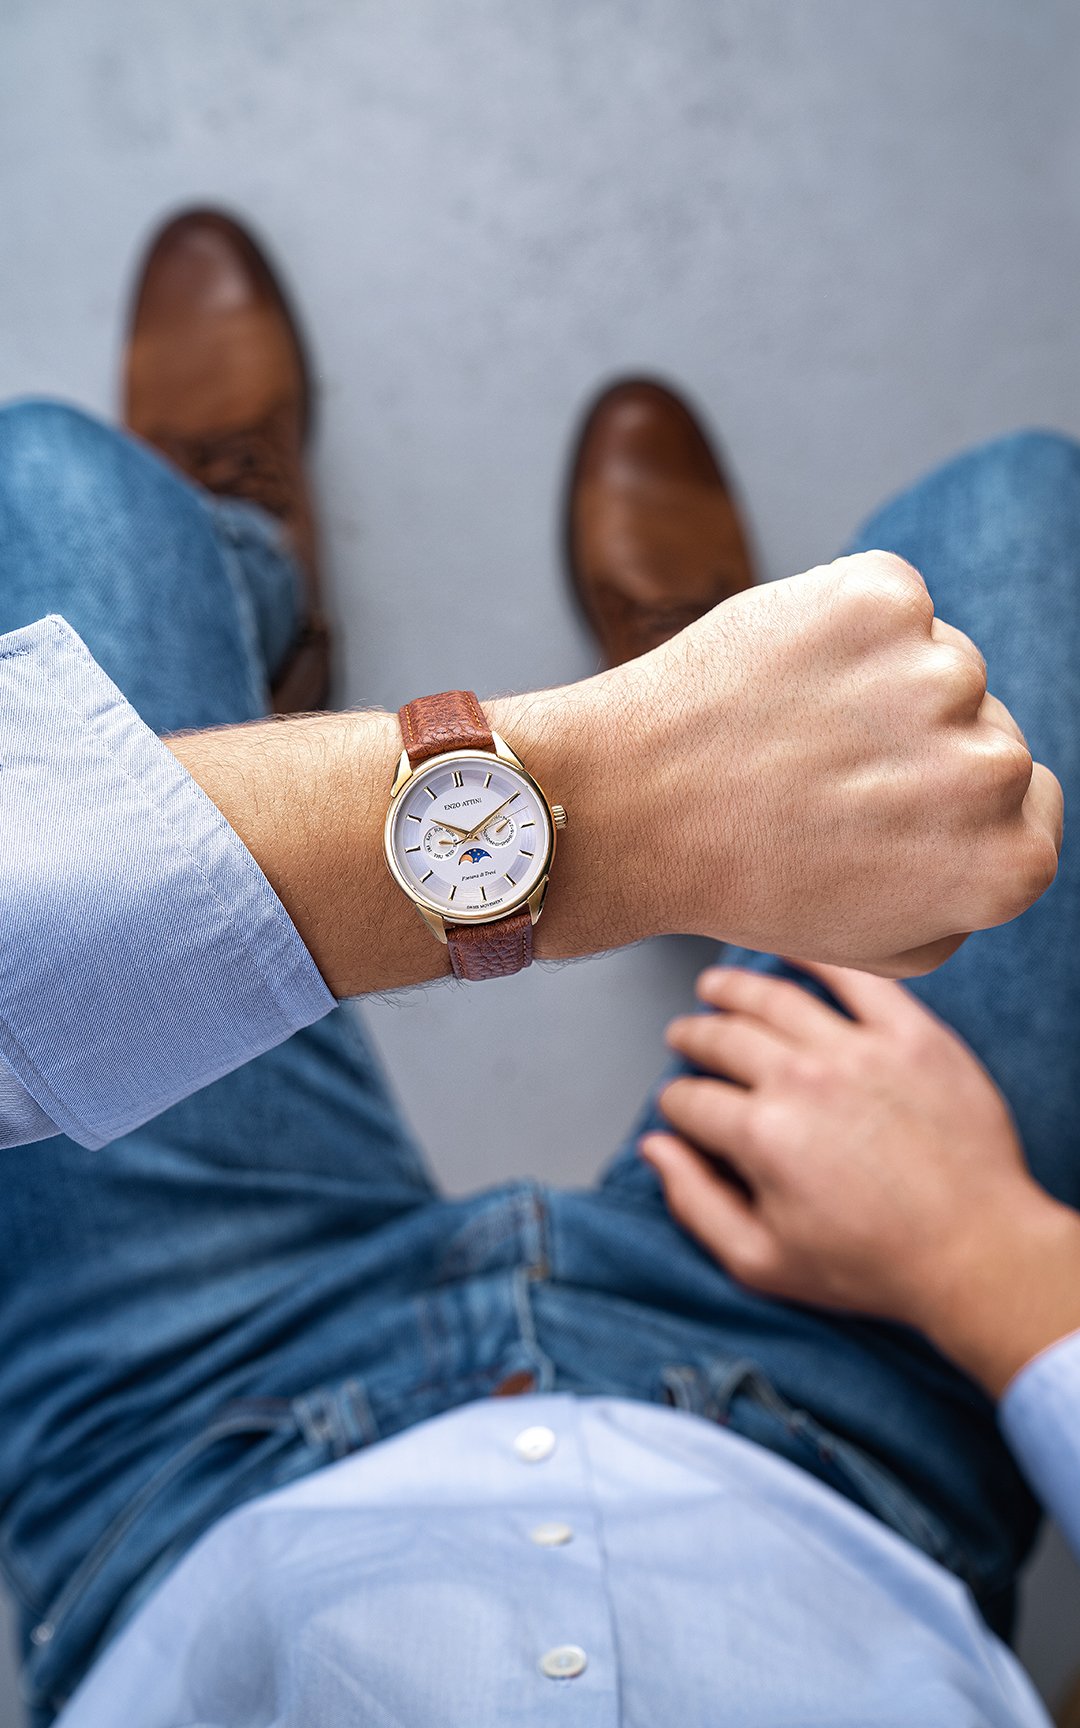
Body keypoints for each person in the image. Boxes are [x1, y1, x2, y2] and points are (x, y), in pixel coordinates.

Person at [0, 208, 1072, 1728]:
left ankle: (271, 615)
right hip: (848, 1412)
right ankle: (756, 754)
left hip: (185, 1441)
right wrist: (999, 1266)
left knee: (50, 486)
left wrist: (619, 797)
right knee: (1027, 518)